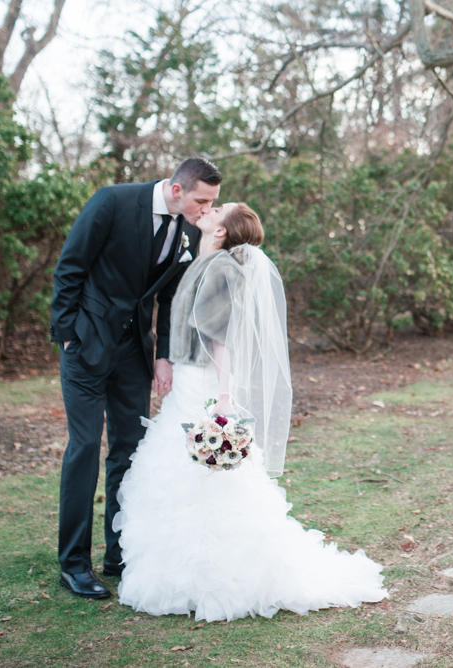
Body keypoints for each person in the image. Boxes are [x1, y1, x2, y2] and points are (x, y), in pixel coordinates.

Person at [113, 203, 387, 621]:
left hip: (205, 385)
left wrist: (224, 397)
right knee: (181, 477)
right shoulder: (205, 260)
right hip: (187, 378)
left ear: (221, 232)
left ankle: (222, 578)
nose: (210, 208)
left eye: (218, 209)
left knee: (207, 479)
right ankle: (184, 574)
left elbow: (221, 338)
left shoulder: (221, 268)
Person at [50, 158, 221, 599]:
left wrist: (163, 357)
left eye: (212, 203)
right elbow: (70, 268)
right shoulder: (112, 201)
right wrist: (67, 334)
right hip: (86, 345)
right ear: (178, 190)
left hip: (134, 355)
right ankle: (74, 564)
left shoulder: (186, 231)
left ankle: (118, 552)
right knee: (86, 448)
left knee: (128, 450)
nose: (207, 210)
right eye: (202, 200)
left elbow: (169, 297)